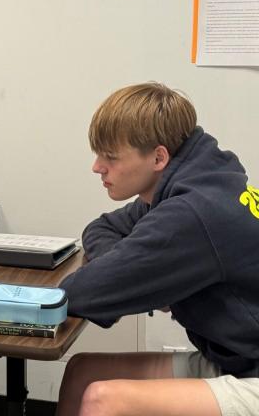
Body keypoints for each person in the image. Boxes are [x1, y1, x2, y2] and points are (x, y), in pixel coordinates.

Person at [56, 82, 259, 416]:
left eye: (111, 157)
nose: (97, 167)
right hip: (236, 359)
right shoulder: (194, 182)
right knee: (82, 373)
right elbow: (102, 227)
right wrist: (133, 269)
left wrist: (129, 273)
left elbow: (79, 293)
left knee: (102, 399)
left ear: (158, 157)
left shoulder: (191, 213)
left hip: (251, 372)